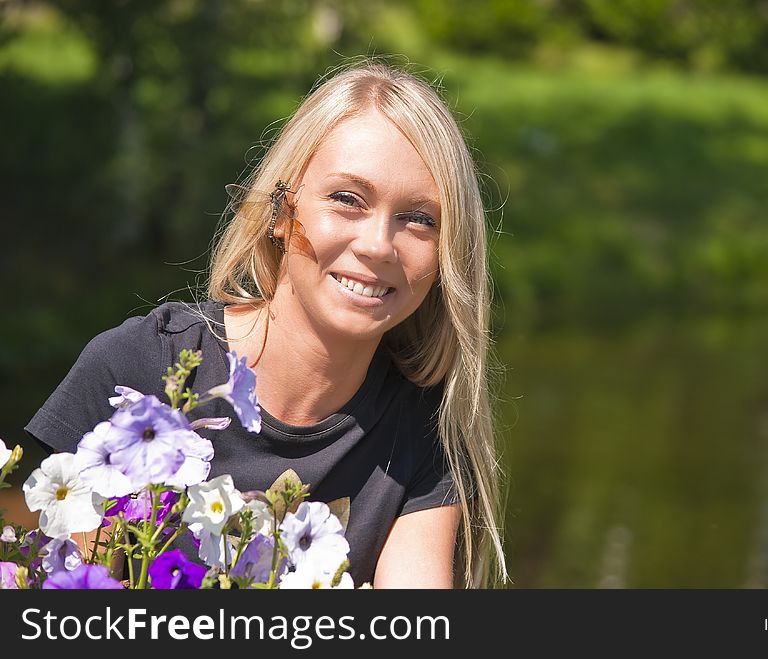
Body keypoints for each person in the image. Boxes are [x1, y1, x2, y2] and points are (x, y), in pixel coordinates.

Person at [25, 60, 507, 588]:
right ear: (281, 212)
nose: (376, 245)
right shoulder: (140, 371)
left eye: (419, 219)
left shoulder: (424, 433)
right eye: (347, 200)